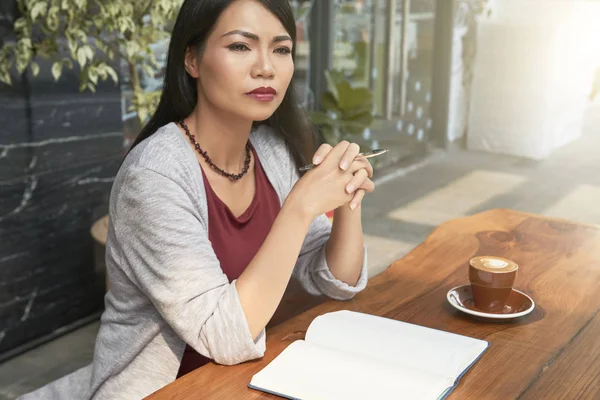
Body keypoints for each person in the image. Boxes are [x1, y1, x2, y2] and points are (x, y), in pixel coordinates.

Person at [20, 0, 375, 398]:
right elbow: (221, 336)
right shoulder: (152, 177)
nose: (266, 67)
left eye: (281, 49)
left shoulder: (271, 149)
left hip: (256, 378)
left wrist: (347, 198)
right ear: (192, 59)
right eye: (241, 46)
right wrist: (300, 206)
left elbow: (335, 280)